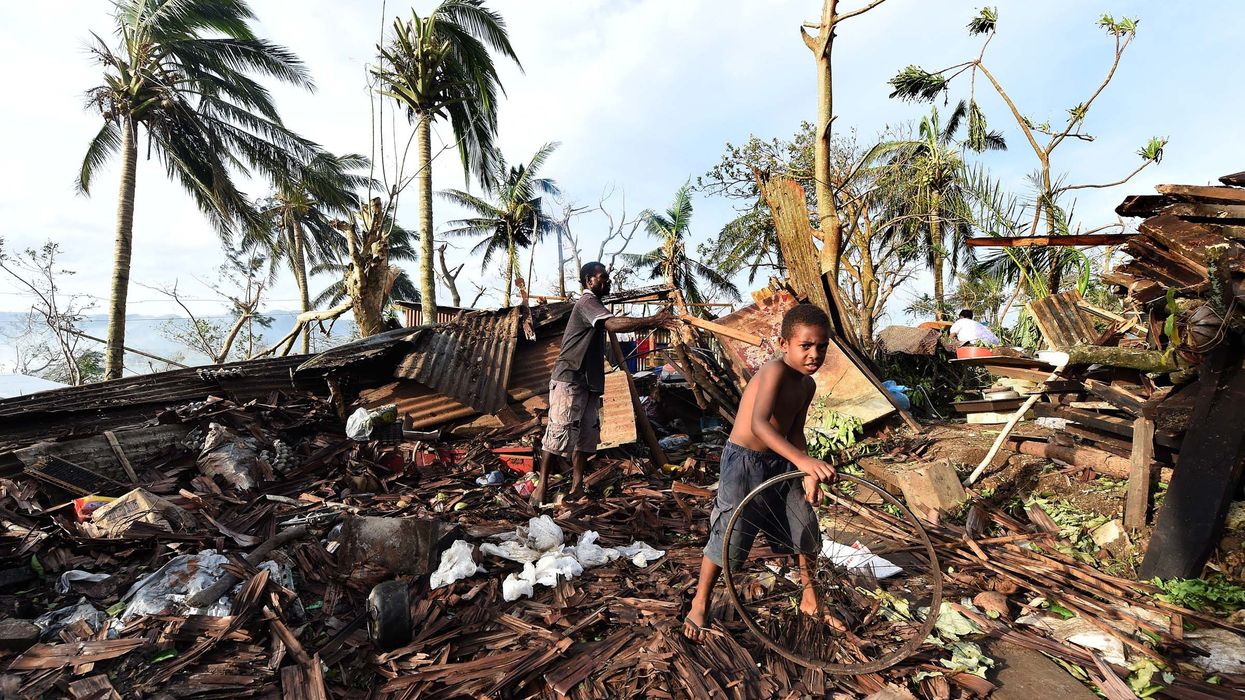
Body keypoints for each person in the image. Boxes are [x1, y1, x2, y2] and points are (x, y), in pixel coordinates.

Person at [683, 303, 837, 642]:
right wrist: (805, 462)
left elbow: (795, 432)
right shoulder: (773, 372)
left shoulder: (807, 386)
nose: (814, 354)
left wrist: (805, 470)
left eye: (821, 347)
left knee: (805, 526)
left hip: (781, 463)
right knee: (729, 532)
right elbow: (759, 423)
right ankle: (700, 600)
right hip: (745, 462)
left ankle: (810, 596)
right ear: (784, 345)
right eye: (806, 346)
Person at [534, 262, 677, 504]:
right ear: (589, 281)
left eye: (608, 277)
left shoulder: (596, 305)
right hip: (570, 378)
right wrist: (653, 320)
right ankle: (541, 488)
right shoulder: (586, 302)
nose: (608, 281)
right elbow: (612, 324)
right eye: (603, 277)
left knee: (586, 436)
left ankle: (577, 487)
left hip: (589, 382)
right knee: (558, 432)